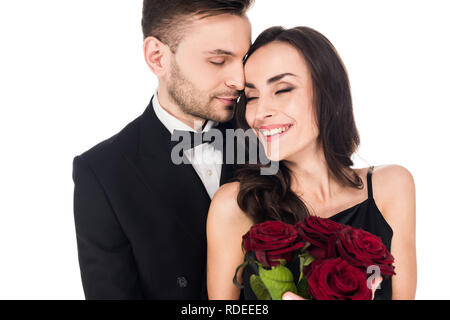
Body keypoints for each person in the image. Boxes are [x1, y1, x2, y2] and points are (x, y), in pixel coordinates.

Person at [206, 26, 417, 300]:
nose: (260, 113)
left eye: (282, 89)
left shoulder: (391, 187)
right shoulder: (235, 205)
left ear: (328, 93)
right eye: (253, 96)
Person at [72, 0, 253, 299]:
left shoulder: (269, 136)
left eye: (244, 58)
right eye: (219, 61)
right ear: (157, 57)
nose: (240, 80)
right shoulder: (102, 172)